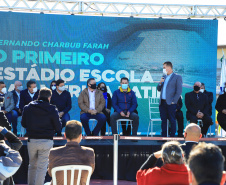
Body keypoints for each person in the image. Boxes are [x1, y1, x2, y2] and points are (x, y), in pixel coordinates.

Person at [21, 87, 62, 185]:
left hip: (32, 141)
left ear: (38, 96)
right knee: (42, 167)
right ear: (49, 97)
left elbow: (23, 124)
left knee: (32, 166)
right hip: (46, 141)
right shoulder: (52, 109)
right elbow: (58, 127)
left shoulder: (28, 107)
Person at [47, 120, 95, 184]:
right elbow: (90, 171)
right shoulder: (89, 152)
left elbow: (51, 173)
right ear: (80, 136)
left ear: (65, 135)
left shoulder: (53, 152)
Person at [157, 61, 183, 137]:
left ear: (169, 67)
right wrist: (160, 82)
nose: (163, 69)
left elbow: (179, 91)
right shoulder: (163, 77)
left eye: (164, 67)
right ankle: (164, 136)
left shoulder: (177, 77)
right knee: (164, 120)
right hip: (162, 103)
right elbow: (158, 88)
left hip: (171, 103)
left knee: (172, 120)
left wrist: (174, 101)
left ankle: (172, 137)